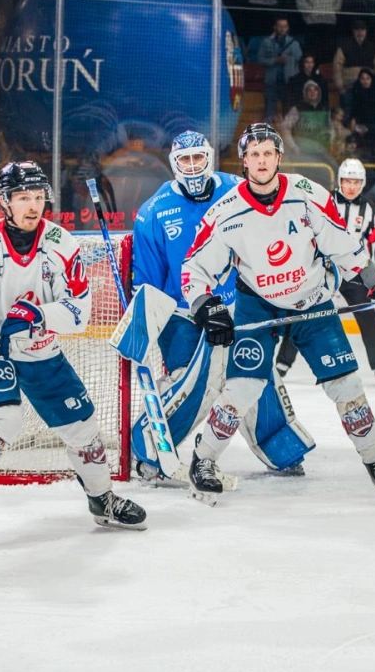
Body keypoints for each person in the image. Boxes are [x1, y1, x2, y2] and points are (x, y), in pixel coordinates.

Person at [180, 123, 375, 502]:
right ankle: (203, 460)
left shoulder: (308, 194)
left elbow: (343, 245)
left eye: (267, 153)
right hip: (257, 303)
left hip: (312, 300)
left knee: (348, 387)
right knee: (243, 387)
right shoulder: (225, 211)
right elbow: (195, 268)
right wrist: (205, 305)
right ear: (244, 161)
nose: (261, 160)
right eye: (254, 154)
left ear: (278, 157)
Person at [0, 161, 147, 552]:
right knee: (3, 421)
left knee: (83, 426)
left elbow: (79, 312)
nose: (33, 206)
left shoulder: (62, 244)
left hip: (41, 349)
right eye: (23, 197)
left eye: (39, 197)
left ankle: (102, 500)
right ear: (5, 201)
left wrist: (39, 315)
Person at [129, 131, 313, 483]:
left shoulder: (237, 190)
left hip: (237, 306)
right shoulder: (153, 211)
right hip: (183, 314)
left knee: (254, 372)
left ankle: (281, 446)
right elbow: (148, 281)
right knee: (191, 384)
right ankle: (150, 450)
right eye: (185, 160)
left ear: (209, 157)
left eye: (198, 158)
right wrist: (144, 324)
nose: (193, 166)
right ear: (174, 164)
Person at [276, 159, 375, 383]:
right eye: (347, 181)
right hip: (323, 269)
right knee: (304, 312)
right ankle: (283, 362)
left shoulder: (370, 209)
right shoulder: (324, 199)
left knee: (367, 315)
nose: (351, 187)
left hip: (354, 271)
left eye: (356, 182)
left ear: (363, 183)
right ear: (340, 181)